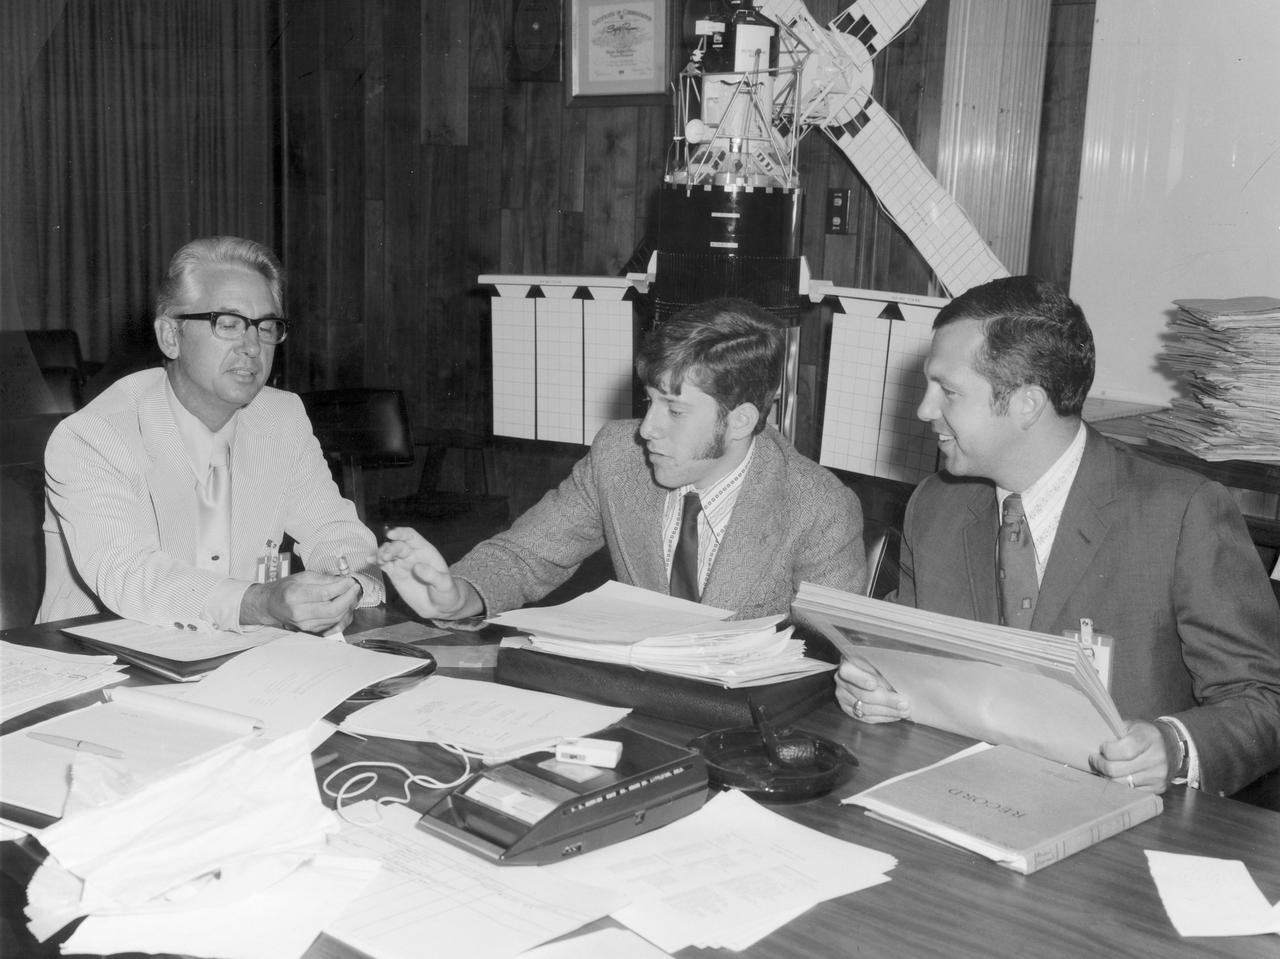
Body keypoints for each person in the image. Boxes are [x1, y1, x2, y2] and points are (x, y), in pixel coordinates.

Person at [835, 275, 1280, 799]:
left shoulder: (1179, 512)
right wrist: (874, 685)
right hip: (962, 793)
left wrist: (1175, 745)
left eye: (948, 391)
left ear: (1027, 403)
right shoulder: (937, 506)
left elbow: (1264, 700)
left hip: (1121, 814)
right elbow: (900, 651)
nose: (925, 410)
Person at [376, 297, 866, 622]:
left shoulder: (818, 507)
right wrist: (456, 595)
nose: (647, 428)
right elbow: (527, 556)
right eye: (649, 401)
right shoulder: (618, 456)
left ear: (739, 421)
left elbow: (835, 655)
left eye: (674, 410)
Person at [38, 236, 383, 634]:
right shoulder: (93, 435)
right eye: (229, 323)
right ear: (170, 336)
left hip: (244, 654)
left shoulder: (281, 418)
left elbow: (335, 532)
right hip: (101, 652)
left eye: (266, 326)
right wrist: (259, 603)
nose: (252, 346)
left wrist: (346, 588)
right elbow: (129, 574)